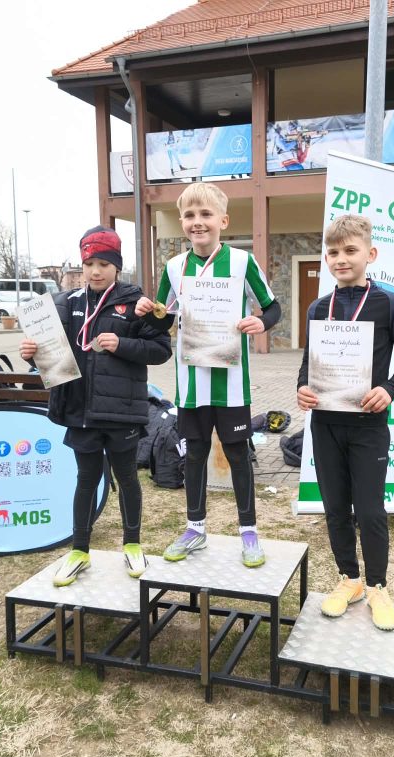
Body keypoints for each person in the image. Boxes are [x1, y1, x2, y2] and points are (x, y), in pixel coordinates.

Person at [136, 181, 282, 567]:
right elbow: (161, 319)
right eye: (189, 215)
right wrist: (147, 311)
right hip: (191, 385)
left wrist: (261, 323)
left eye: (205, 214)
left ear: (223, 221)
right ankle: (195, 529)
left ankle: (248, 532)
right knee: (195, 454)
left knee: (237, 454)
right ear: (182, 222)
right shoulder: (173, 267)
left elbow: (272, 307)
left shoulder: (242, 262)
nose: (197, 222)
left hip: (231, 383)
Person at [20, 226, 172, 586]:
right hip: (80, 409)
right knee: (86, 479)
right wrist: (31, 354)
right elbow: (52, 354)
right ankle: (80, 550)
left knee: (127, 477)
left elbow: (161, 350)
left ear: (117, 266)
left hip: (121, 411)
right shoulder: (65, 303)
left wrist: (122, 344)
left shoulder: (136, 303)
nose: (96, 271)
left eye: (104, 264)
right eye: (89, 264)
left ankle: (132, 545)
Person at [295, 214, 394, 631]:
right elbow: (308, 364)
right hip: (326, 425)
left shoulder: (388, 304)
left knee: (369, 511)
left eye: (350, 250)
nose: (341, 259)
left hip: (368, 426)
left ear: (370, 254)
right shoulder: (319, 308)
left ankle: (377, 587)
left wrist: (389, 389)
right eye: (333, 252)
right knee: (335, 508)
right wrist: (302, 388)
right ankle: (349, 579)